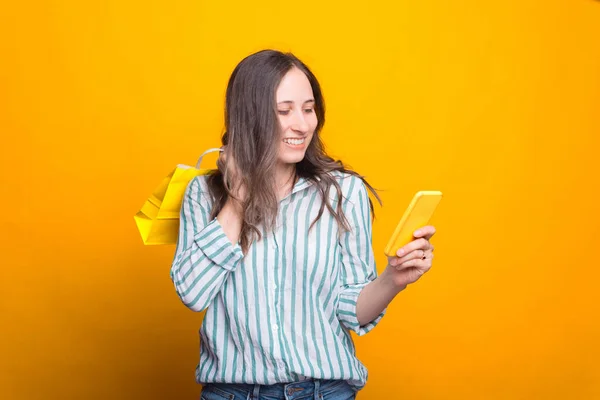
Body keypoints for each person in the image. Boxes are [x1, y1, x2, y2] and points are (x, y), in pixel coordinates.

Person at [170, 49, 436, 400]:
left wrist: (393, 279)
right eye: (284, 111)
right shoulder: (202, 194)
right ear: (249, 117)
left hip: (323, 392)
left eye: (308, 109)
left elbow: (350, 308)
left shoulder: (344, 193)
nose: (303, 124)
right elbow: (192, 292)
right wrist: (237, 198)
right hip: (233, 393)